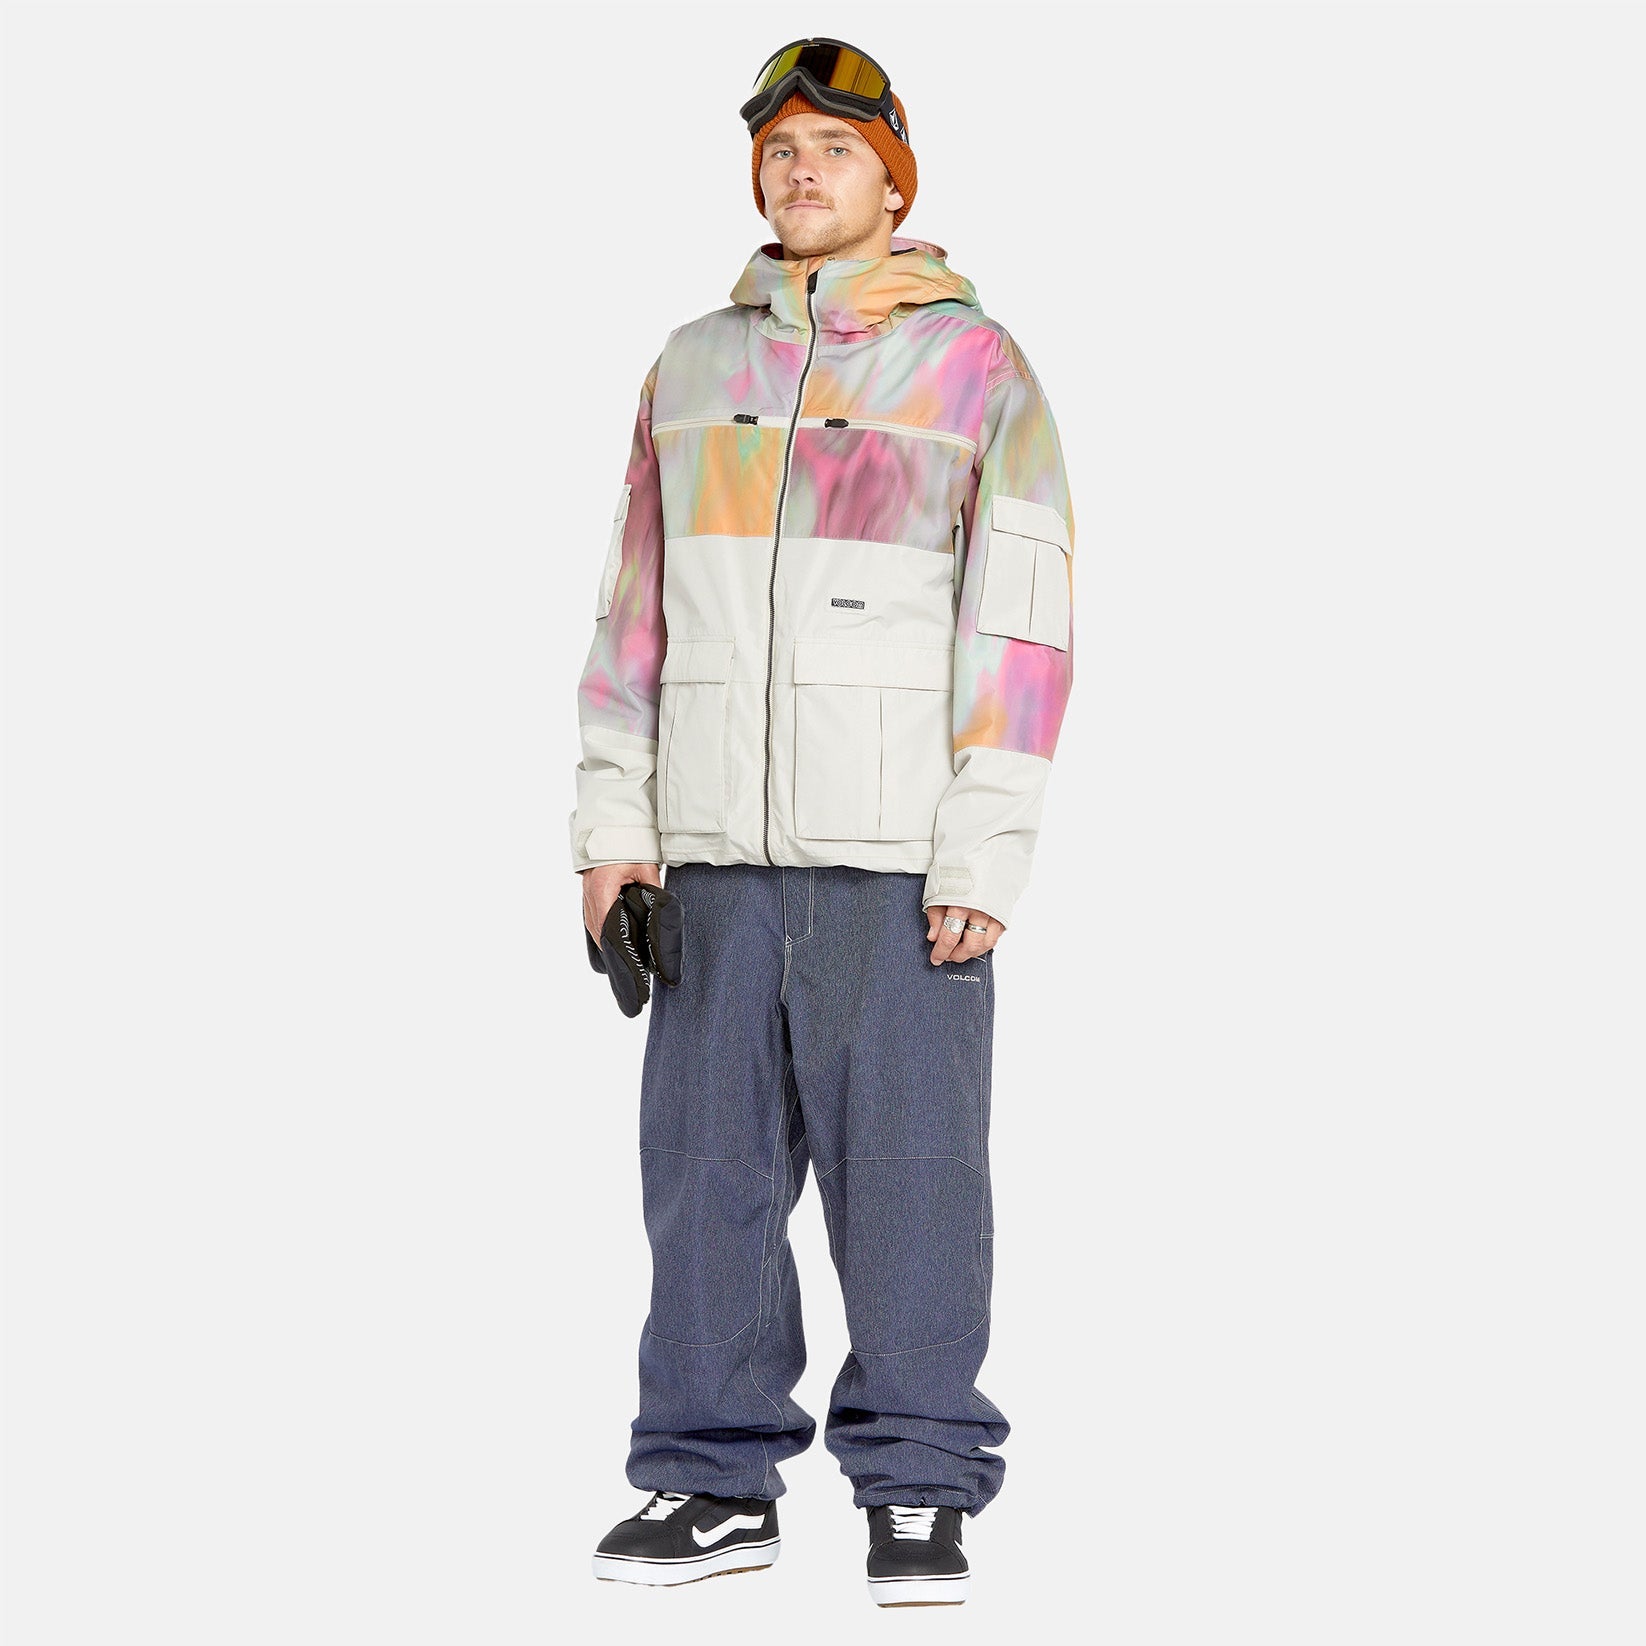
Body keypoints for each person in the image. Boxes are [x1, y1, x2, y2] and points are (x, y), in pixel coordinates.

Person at [569, 37, 1075, 1609]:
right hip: (711, 854)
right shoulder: (688, 368)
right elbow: (632, 613)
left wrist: (983, 849)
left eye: (835, 150)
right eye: (780, 149)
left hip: (896, 860)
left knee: (912, 1179)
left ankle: (918, 1483)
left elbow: (1023, 623)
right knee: (702, 1179)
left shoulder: (974, 370)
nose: (802, 172)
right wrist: (612, 830)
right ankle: (712, 1479)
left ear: (892, 181)